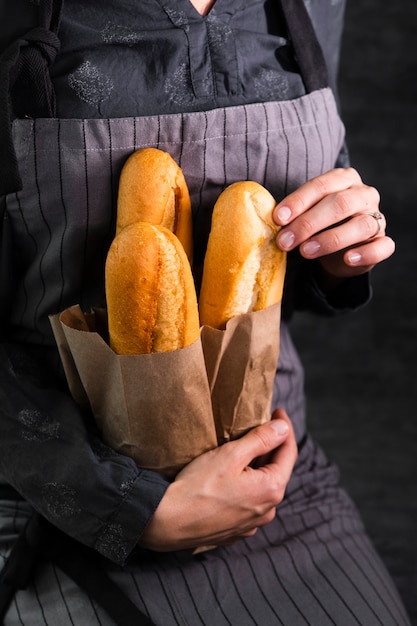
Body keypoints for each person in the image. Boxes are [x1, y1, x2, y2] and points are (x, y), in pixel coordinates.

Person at [0, 0, 410, 624]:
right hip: (54, 492)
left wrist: (336, 252)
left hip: (273, 477)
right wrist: (132, 509)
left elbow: (264, 296)